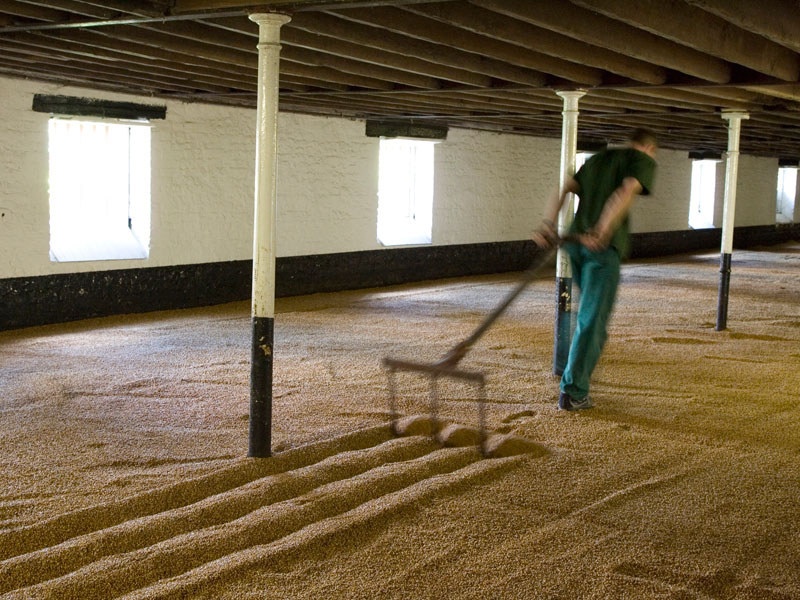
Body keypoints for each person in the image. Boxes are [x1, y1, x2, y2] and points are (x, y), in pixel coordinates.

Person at [532, 128, 658, 411]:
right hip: (601, 248)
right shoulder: (642, 160)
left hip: (573, 243)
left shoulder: (597, 160)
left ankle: (571, 378)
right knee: (592, 320)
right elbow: (626, 190)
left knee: (588, 316)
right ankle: (573, 392)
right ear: (649, 148)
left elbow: (563, 187)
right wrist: (604, 228)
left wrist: (548, 224)